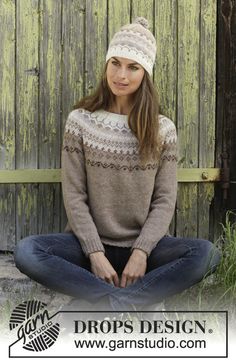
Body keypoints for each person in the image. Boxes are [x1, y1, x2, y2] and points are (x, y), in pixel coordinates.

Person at [14, 17, 221, 313]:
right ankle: (133, 301)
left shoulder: (163, 130)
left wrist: (141, 252)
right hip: (88, 247)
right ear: (106, 64)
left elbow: (164, 201)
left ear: (145, 73)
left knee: (207, 254)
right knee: (28, 252)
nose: (121, 74)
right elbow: (74, 195)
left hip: (146, 249)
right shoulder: (81, 121)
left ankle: (102, 303)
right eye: (115, 63)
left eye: (133, 67)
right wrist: (95, 253)